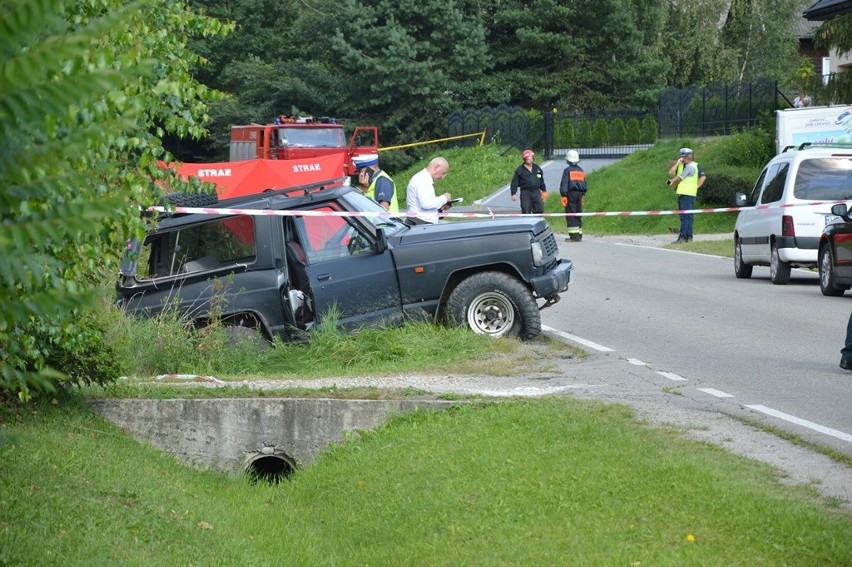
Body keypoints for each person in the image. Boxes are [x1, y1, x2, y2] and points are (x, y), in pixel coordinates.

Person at [666, 147, 701, 243]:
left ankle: (682, 237)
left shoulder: (690, 166)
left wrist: (671, 182)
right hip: (688, 194)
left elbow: (680, 178)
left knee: (685, 217)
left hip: (686, 194)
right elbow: (672, 173)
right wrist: (677, 164)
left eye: (683, 157)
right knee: (688, 216)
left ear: (687, 157)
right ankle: (688, 237)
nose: (682, 159)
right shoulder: (689, 166)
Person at [406, 156, 451, 223]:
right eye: (443, 173)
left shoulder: (422, 178)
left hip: (420, 222)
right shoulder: (423, 180)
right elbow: (426, 204)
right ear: (436, 167)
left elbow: (426, 203)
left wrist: (441, 206)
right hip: (421, 223)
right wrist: (445, 198)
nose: (442, 177)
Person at [559, 150, 587, 242]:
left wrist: (563, 195)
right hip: (580, 194)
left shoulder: (567, 170)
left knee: (571, 214)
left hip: (571, 194)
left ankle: (573, 237)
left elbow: (564, 183)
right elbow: (584, 184)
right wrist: (582, 195)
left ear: (568, 160)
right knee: (578, 213)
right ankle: (579, 235)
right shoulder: (581, 170)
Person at [510, 149, 548, 214]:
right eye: (527, 158)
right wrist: (513, 193)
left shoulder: (537, 168)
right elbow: (514, 182)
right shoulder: (520, 170)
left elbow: (541, 180)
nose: (529, 160)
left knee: (540, 208)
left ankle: (536, 222)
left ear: (533, 158)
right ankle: (527, 222)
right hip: (525, 192)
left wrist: (544, 190)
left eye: (531, 158)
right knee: (526, 210)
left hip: (536, 191)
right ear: (524, 159)